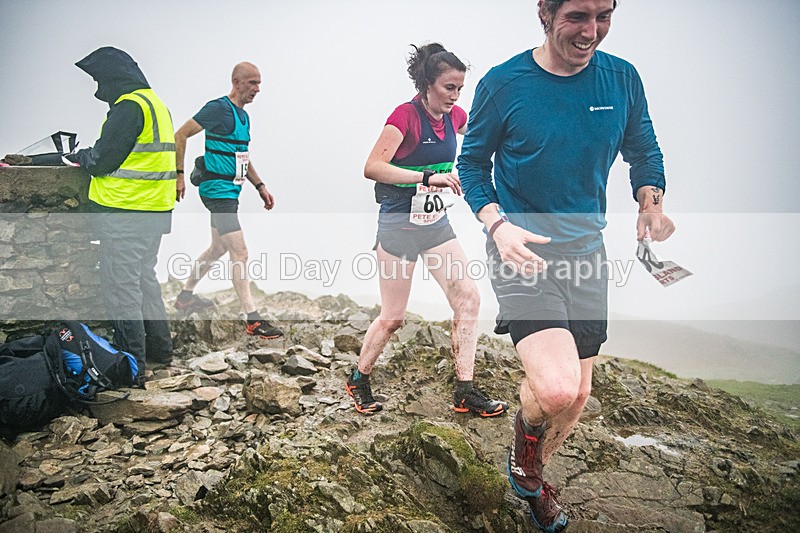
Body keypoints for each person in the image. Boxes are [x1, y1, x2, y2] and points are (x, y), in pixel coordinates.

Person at [457, 1, 675, 531]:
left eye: (603, 15)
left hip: (587, 251)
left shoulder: (621, 78)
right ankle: (525, 468)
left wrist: (651, 201)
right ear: (546, 14)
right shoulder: (504, 83)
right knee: (555, 389)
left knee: (576, 397)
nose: (591, 30)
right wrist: (496, 224)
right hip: (522, 249)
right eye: (578, 15)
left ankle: (532, 465)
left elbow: (642, 149)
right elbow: (471, 163)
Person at [345, 43, 508, 418]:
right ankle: (359, 377)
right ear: (428, 85)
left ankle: (464, 390)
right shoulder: (405, 116)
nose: (455, 96)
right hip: (398, 223)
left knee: (468, 299)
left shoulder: (454, 116)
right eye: (449, 87)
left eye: (460, 89)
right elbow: (372, 166)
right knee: (393, 317)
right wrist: (427, 177)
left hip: (435, 224)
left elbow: (486, 132)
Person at [68, 46, 177, 380]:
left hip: (126, 212)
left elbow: (102, 160)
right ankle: (161, 351)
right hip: (155, 210)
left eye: (100, 79)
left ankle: (132, 366)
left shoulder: (129, 108)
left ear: (113, 79)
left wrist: (81, 156)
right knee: (145, 282)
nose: (98, 88)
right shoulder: (155, 104)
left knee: (123, 289)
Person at [172, 62, 283, 340]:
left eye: (259, 83)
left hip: (231, 192)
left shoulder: (243, 117)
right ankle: (252, 318)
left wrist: (260, 186)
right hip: (216, 191)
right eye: (252, 83)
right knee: (240, 251)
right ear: (236, 82)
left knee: (217, 248)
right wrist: (179, 175)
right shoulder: (218, 108)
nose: (257, 89)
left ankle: (185, 296)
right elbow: (181, 134)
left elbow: (241, 156)